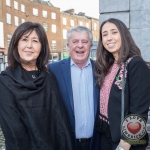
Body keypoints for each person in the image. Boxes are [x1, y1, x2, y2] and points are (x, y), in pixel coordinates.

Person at [0, 21, 74, 150]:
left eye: (35, 41)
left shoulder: (49, 77)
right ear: (16, 44)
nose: (29, 46)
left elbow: (60, 121)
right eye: (24, 39)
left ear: (42, 47)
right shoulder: (5, 81)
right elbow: (14, 130)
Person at [95, 18, 150, 150]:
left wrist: (124, 144)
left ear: (123, 35)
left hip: (124, 141)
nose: (109, 38)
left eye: (114, 32)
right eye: (105, 34)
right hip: (105, 134)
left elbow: (139, 111)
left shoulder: (135, 64)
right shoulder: (108, 65)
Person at [48, 26, 100, 150]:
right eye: (75, 41)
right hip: (66, 143)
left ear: (91, 46)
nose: (80, 45)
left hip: (96, 143)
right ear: (68, 46)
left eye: (85, 41)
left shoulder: (101, 69)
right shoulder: (53, 70)